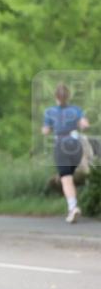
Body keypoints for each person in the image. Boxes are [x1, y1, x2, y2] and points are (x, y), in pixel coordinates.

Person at [43, 83, 90, 224]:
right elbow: (85, 125)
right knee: (77, 173)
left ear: (55, 96)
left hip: (61, 145)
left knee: (66, 178)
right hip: (76, 144)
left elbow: (45, 131)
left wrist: (49, 127)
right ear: (68, 96)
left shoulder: (49, 112)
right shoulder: (76, 110)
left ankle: (73, 207)